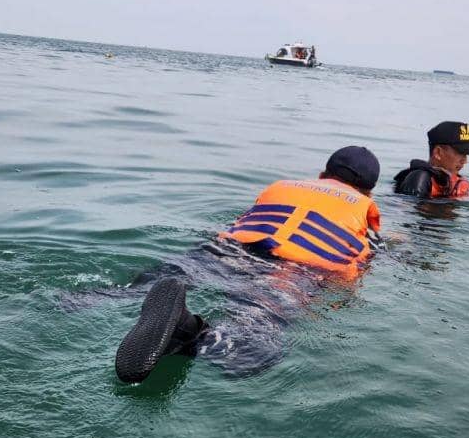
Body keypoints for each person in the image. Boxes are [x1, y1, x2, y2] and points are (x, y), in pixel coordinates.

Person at [114, 146, 382, 383]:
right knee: (249, 354)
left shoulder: (284, 188)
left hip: (230, 249)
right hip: (291, 270)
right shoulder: (363, 213)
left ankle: (91, 297)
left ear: (322, 175)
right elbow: (350, 277)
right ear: (368, 192)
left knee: (163, 276)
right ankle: (187, 330)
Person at [393, 121, 469, 198]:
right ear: (438, 153)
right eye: (460, 153)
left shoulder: (450, 181)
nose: (464, 161)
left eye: (466, 154)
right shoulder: (420, 178)